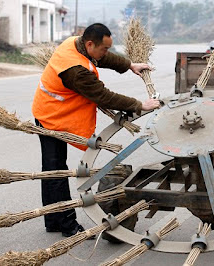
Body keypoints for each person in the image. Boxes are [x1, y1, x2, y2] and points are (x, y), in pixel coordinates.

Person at [32, 23, 160, 237]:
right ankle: (66, 225)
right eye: (104, 48)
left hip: (54, 111)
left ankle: (53, 219)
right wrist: (140, 105)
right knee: (56, 172)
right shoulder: (75, 70)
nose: (106, 53)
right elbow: (104, 96)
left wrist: (129, 65)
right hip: (51, 117)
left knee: (52, 169)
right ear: (90, 43)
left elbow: (102, 57)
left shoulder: (76, 43)